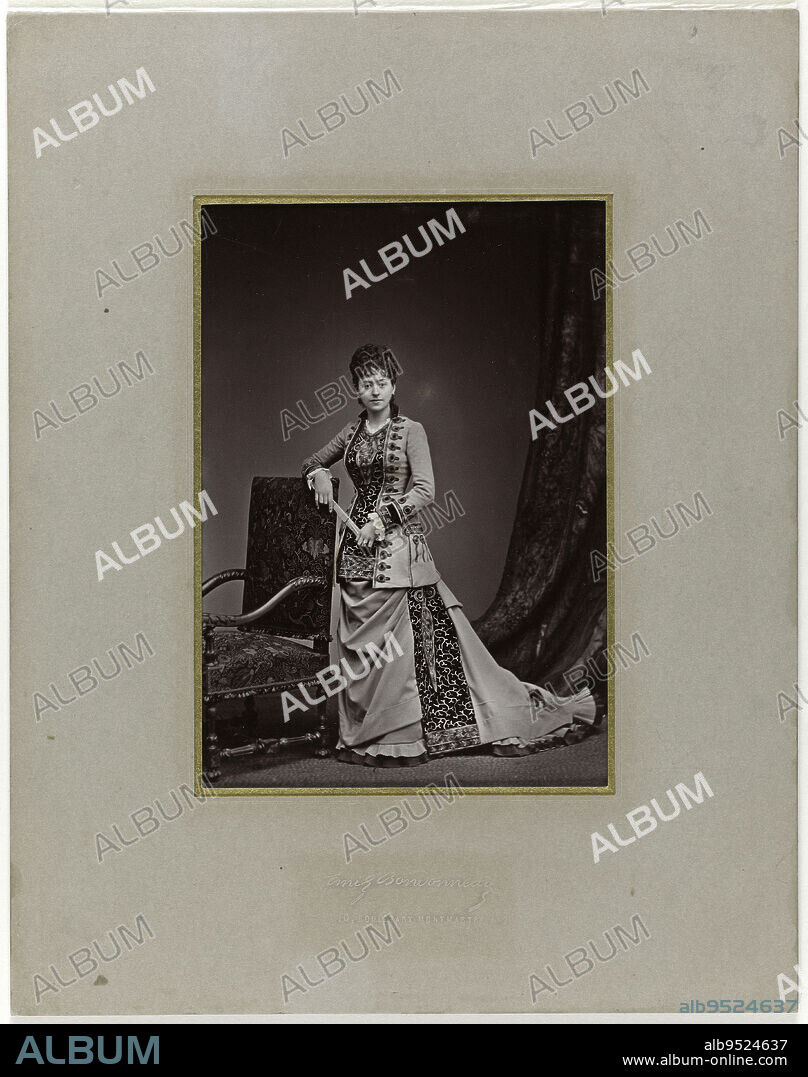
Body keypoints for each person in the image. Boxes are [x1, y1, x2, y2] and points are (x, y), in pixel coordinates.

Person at [301, 344, 595, 767]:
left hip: (398, 551)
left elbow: (424, 491)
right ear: (355, 390)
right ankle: (366, 727)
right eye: (367, 385)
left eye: (382, 382)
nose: (376, 391)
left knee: (403, 651)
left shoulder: (411, 431)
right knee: (363, 651)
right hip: (354, 557)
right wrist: (320, 475)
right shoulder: (351, 432)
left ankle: (400, 733)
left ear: (394, 384)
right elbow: (310, 460)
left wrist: (381, 522)